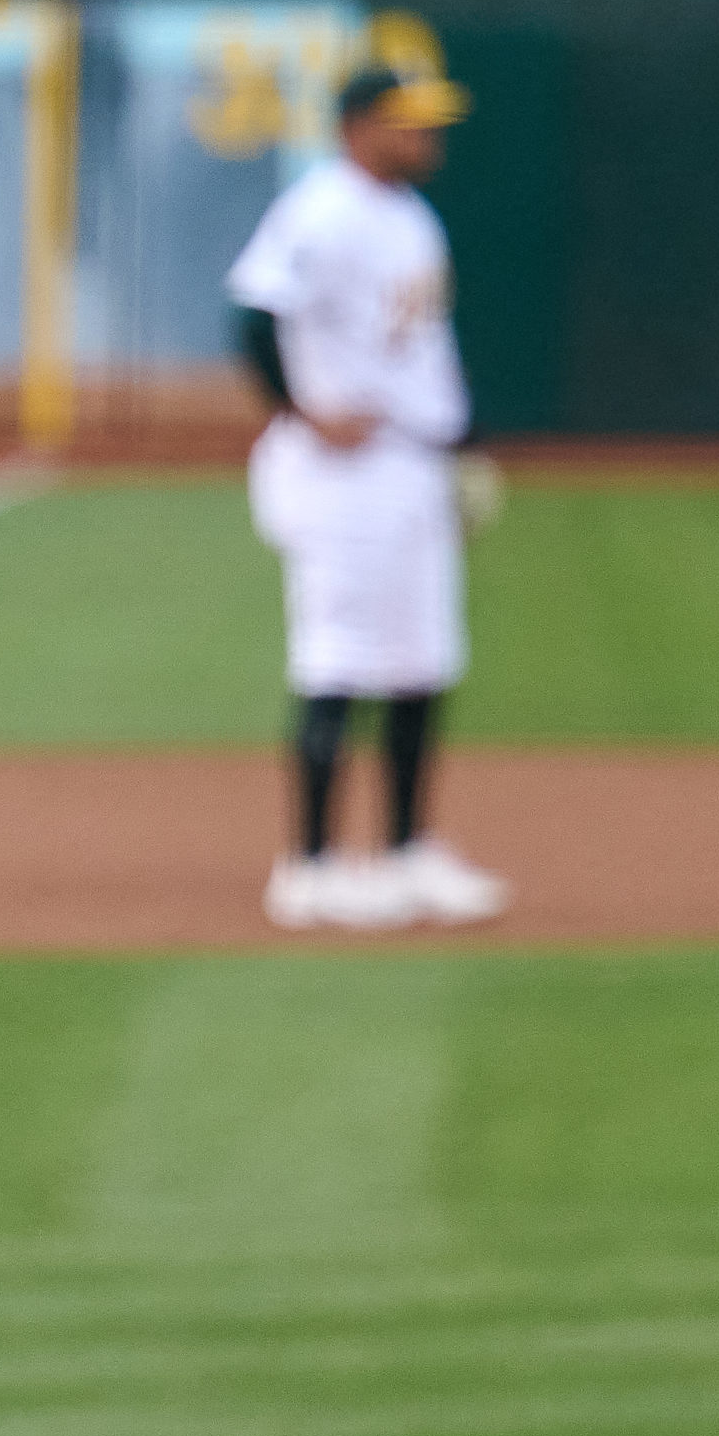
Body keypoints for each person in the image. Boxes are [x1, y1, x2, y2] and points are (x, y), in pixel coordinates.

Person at [231, 52, 504, 929]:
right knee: (337, 663)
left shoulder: (412, 217)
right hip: (343, 476)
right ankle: (307, 867)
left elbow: (417, 351)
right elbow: (252, 313)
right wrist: (302, 410)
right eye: (409, 118)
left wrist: (453, 448)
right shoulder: (322, 212)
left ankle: (405, 852)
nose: (428, 133)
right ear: (358, 127)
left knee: (421, 663)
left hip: (411, 463)